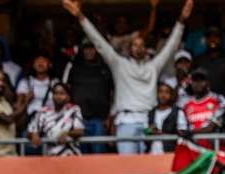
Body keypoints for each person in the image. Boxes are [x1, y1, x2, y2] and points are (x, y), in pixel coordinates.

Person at [64, 0, 193, 155]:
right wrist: (80, 16)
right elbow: (99, 42)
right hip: (126, 122)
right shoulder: (119, 64)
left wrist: (182, 20)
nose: (139, 48)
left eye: (141, 45)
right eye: (135, 45)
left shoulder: (153, 66)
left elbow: (171, 45)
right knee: (128, 164)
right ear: (129, 48)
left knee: (149, 165)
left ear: (146, 49)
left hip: (149, 122)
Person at [61, 38, 114, 152]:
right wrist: (67, 118)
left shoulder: (105, 68)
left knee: (98, 155)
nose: (89, 51)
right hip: (78, 120)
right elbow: (65, 91)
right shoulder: (73, 67)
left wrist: (109, 118)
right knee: (80, 155)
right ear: (82, 50)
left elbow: (112, 94)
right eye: (86, 48)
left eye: (92, 48)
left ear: (97, 50)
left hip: (99, 120)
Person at [26, 82, 85, 156]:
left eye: (62, 93)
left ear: (67, 96)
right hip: (50, 157)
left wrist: (67, 134)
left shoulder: (74, 110)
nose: (58, 96)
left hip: (71, 157)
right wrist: (33, 135)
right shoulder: (43, 112)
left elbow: (79, 131)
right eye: (55, 93)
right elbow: (30, 132)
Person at [147, 81, 188, 153]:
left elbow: (183, 133)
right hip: (152, 154)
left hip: (171, 154)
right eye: (160, 92)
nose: (163, 95)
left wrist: (163, 133)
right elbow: (145, 131)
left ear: (171, 95)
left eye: (167, 92)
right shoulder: (151, 113)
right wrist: (149, 130)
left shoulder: (178, 112)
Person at [181, 68, 221, 142]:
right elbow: (182, 129)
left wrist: (191, 132)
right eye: (195, 80)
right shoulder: (185, 104)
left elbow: (211, 128)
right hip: (192, 145)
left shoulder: (217, 101)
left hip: (211, 145)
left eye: (201, 80)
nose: (198, 83)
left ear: (208, 82)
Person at [193, 28, 225, 97]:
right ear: (206, 40)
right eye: (209, 37)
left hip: (224, 100)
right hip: (203, 100)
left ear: (221, 40)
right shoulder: (198, 60)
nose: (212, 39)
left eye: (216, 37)